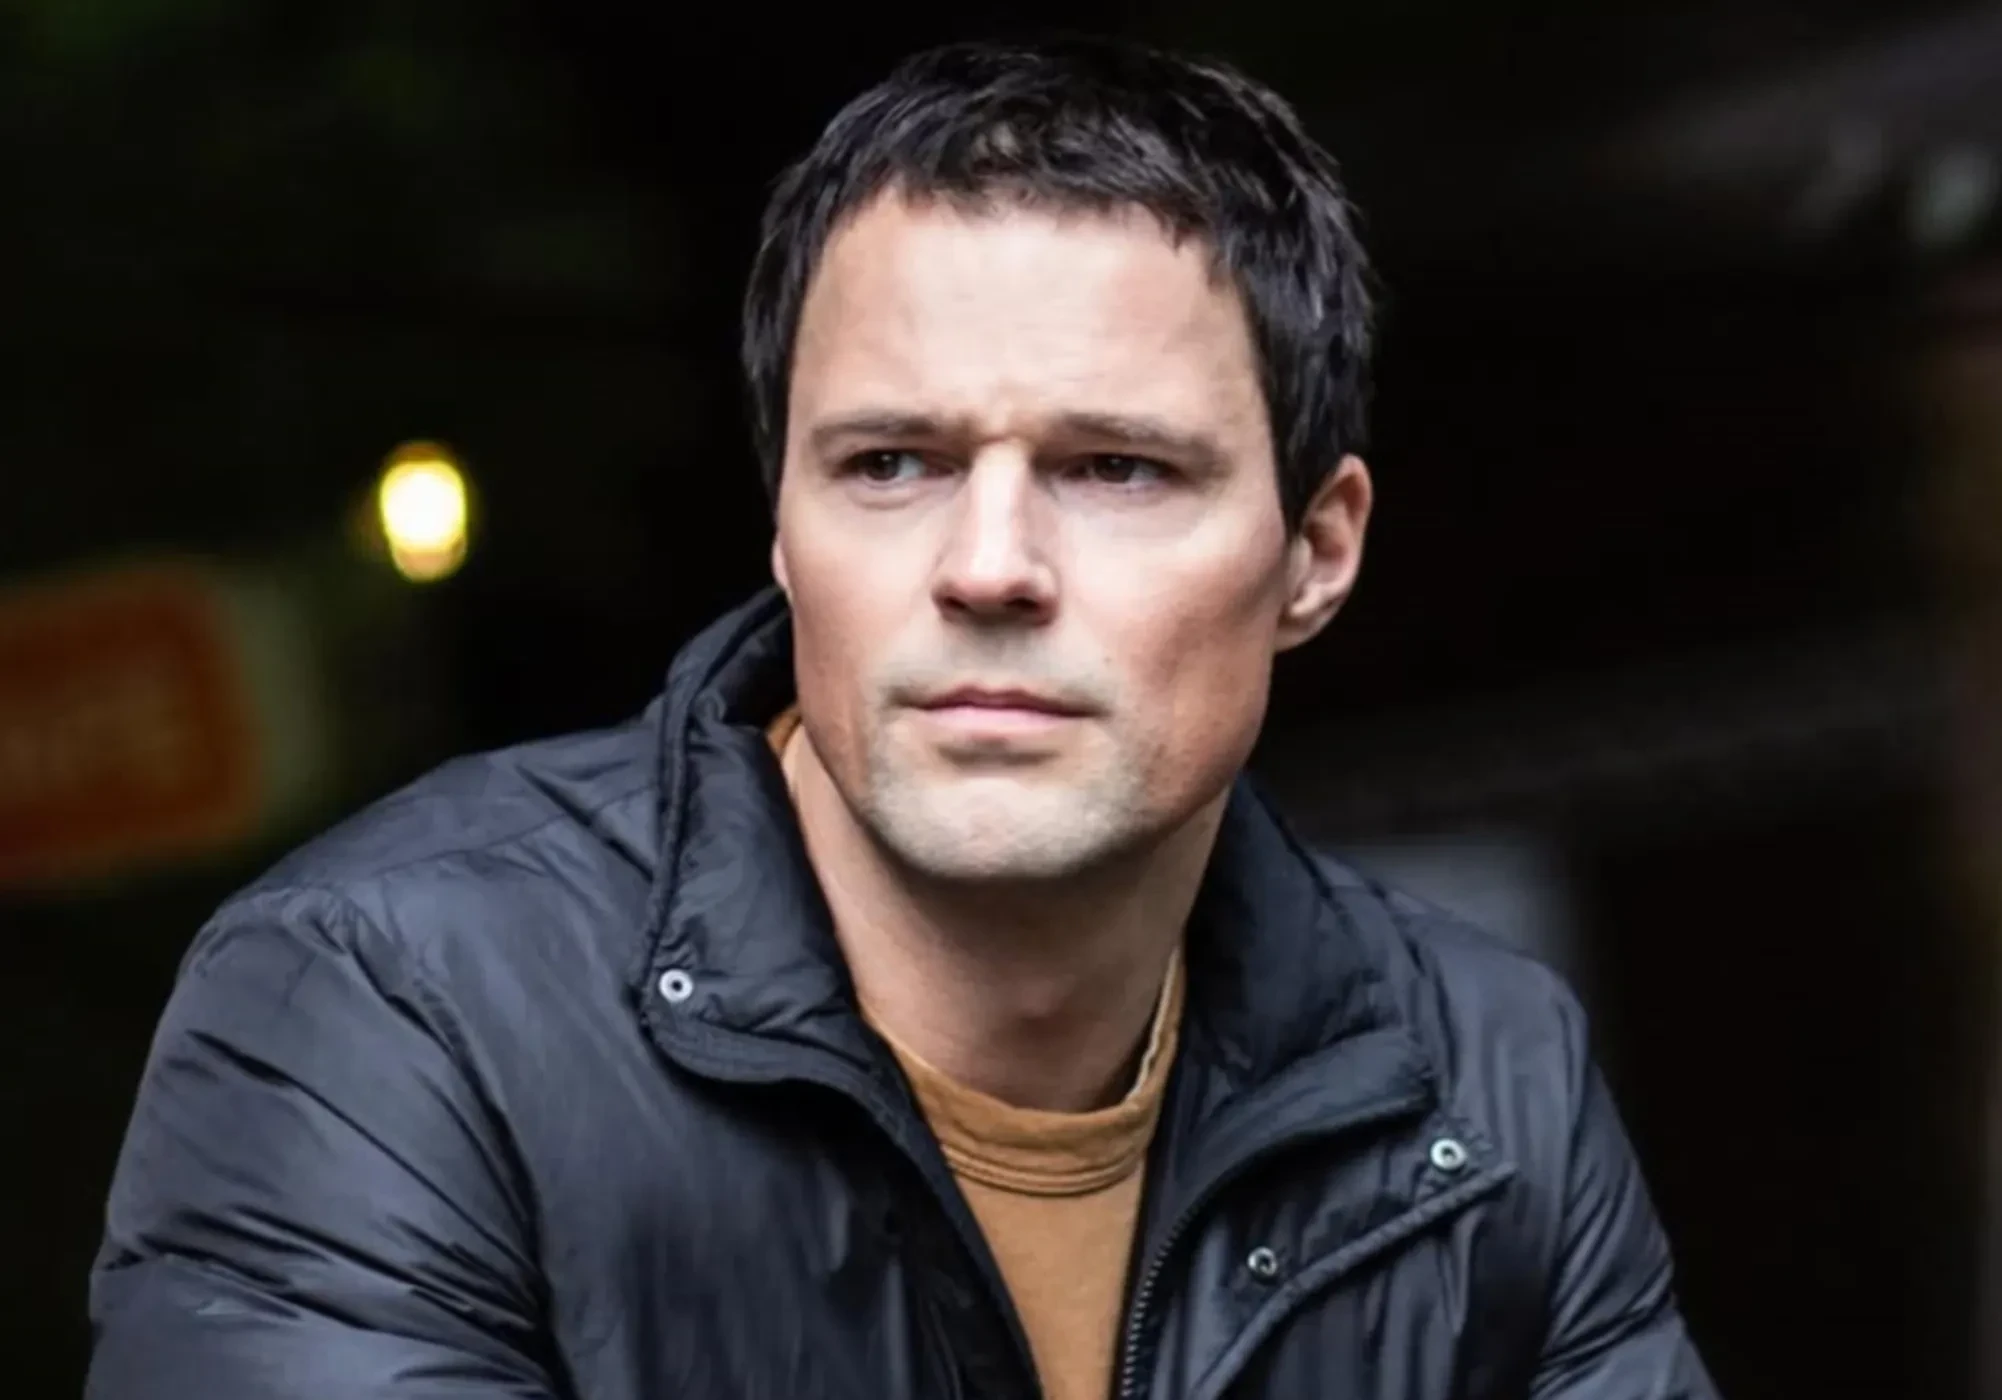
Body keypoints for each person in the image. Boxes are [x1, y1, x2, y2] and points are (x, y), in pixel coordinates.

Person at [86, 36, 1718, 1400]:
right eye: (890, 465)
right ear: (784, 531)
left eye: (1114, 468)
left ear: (1315, 550)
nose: (987, 566)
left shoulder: (1481, 1073)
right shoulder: (396, 1007)